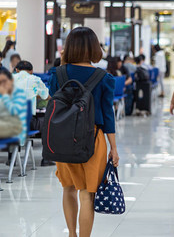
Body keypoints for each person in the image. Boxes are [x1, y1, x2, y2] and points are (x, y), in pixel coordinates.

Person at [48, 27, 119, 237]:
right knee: (87, 193)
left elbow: (53, 102)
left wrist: (62, 66)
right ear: (94, 48)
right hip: (93, 140)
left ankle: (71, 233)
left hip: (62, 138)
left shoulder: (57, 74)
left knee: (68, 188)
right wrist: (113, 148)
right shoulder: (104, 77)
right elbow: (108, 116)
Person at [13, 61, 52, 166]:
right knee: (47, 123)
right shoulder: (35, 80)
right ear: (31, 71)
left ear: (16, 70)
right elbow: (46, 97)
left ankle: (10, 159)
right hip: (26, 123)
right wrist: (35, 94)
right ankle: (46, 159)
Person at [0, 67, 27, 147]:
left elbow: (13, 111)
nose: (2, 85)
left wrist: (5, 95)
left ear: (11, 80)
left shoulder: (19, 93)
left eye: (4, 81)